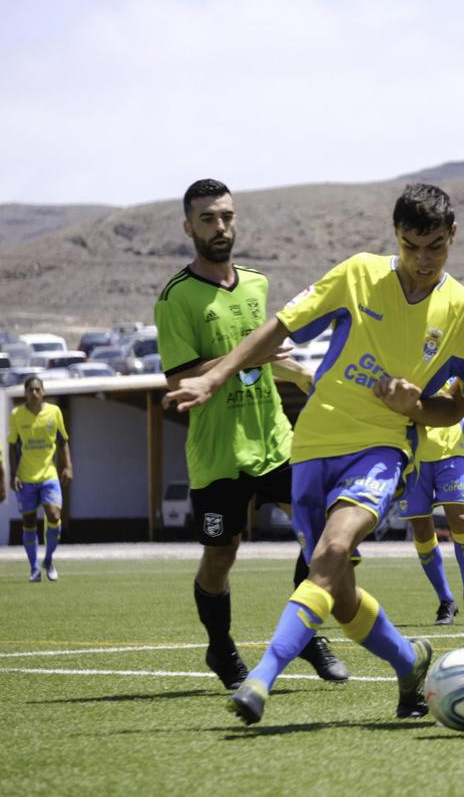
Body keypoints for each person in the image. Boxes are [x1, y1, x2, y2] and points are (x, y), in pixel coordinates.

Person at [164, 183, 464, 725]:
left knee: (329, 552)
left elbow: (455, 409)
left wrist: (440, 408)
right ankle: (409, 661)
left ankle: (260, 680)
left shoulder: (463, 310)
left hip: (382, 449)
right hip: (313, 444)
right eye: (411, 246)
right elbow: (279, 328)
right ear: (396, 236)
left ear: (453, 236)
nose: (422, 260)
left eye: (435, 246)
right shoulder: (357, 274)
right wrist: (215, 377)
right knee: (341, 596)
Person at [155, 179, 349, 690]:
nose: (220, 228)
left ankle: (305, 634)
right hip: (219, 454)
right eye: (208, 219)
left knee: (326, 529)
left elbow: (261, 362)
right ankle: (220, 650)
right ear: (188, 227)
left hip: (275, 441)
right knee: (221, 555)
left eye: (226, 216)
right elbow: (181, 380)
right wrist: (259, 354)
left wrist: (300, 375)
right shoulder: (176, 299)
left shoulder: (257, 284)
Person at [393, 417, 464, 625]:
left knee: (461, 520)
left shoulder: (459, 381)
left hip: (451, 450)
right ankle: (446, 601)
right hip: (412, 456)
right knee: (421, 529)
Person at [8, 376, 71, 582]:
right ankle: (34, 568)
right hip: (26, 477)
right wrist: (14, 473)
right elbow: (13, 446)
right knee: (28, 522)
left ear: (43, 392)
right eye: (30, 390)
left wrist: (68, 466)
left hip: (48, 475)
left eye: (37, 390)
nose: (34, 393)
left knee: (53, 516)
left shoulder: (54, 413)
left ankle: (49, 559)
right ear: (25, 393)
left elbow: (62, 441)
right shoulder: (16, 415)